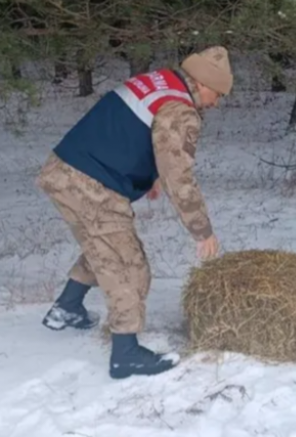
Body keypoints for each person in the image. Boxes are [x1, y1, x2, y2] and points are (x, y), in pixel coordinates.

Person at [36, 46, 233, 379]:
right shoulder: (180, 109)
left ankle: (67, 308)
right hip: (90, 182)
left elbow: (136, 131)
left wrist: (149, 176)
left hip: (67, 169)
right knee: (129, 265)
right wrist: (202, 230)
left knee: (105, 247)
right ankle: (125, 354)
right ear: (202, 83)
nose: (216, 103)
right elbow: (179, 176)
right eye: (217, 93)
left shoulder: (160, 81)